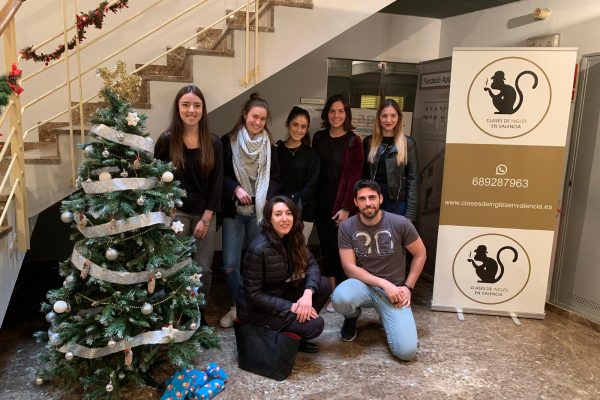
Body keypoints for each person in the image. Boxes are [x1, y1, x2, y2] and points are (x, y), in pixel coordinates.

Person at [332, 179, 426, 361]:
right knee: (341, 298)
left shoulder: (401, 223)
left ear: (381, 199)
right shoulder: (346, 227)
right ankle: (351, 317)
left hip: (395, 292)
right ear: (355, 202)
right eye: (362, 198)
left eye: (372, 197)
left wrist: (408, 287)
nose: (368, 203)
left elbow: (420, 254)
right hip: (364, 286)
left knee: (406, 353)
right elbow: (349, 268)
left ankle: (386, 317)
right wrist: (383, 283)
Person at [154, 85, 223, 325]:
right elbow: (157, 179)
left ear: (203, 110)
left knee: (203, 268)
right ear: (178, 108)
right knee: (177, 266)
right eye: (186, 105)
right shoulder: (166, 140)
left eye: (196, 105)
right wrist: (166, 209)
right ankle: (177, 314)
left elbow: (217, 183)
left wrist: (206, 218)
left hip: (205, 214)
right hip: (177, 213)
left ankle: (199, 315)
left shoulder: (213, 143)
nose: (191, 110)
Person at [237, 196, 332, 353]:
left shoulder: (293, 237)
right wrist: (292, 307)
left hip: (278, 294)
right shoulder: (258, 249)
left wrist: (307, 295)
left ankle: (294, 334)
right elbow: (253, 295)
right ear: (269, 219)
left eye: (288, 213)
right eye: (278, 214)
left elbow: (313, 265)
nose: (285, 219)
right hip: (255, 310)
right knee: (315, 325)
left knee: (322, 284)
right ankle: (290, 334)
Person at [221, 93, 281, 328]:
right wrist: (235, 188)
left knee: (255, 264)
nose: (258, 122)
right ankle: (235, 307)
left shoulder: (270, 146)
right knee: (229, 265)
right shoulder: (228, 141)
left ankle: (253, 308)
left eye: (263, 119)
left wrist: (264, 199)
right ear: (245, 115)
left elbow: (275, 178)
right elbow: (221, 176)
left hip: (259, 213)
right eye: (255, 116)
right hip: (234, 212)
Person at [312, 94, 363, 311]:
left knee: (342, 248)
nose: (336, 115)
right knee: (326, 248)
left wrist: (346, 208)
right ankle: (330, 293)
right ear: (327, 113)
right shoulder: (318, 137)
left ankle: (342, 294)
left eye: (341, 111)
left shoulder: (354, 141)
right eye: (332, 111)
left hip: (342, 203)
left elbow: (355, 177)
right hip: (320, 200)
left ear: (347, 114)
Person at [363, 99, 418, 221]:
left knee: (394, 239)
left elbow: (413, 179)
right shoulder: (368, 142)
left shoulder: (408, 143)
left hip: (397, 203)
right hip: (372, 200)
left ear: (399, 117)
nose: (389, 120)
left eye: (393, 115)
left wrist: (410, 213)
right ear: (379, 118)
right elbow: (364, 176)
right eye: (384, 116)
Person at [276, 106, 320, 242]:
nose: (298, 130)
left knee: (298, 256)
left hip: (303, 212)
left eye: (303, 127)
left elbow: (311, 185)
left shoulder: (312, 155)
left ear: (307, 130)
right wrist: (282, 204)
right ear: (288, 124)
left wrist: (293, 200)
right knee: (277, 254)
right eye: (295, 125)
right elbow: (272, 180)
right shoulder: (275, 151)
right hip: (278, 211)